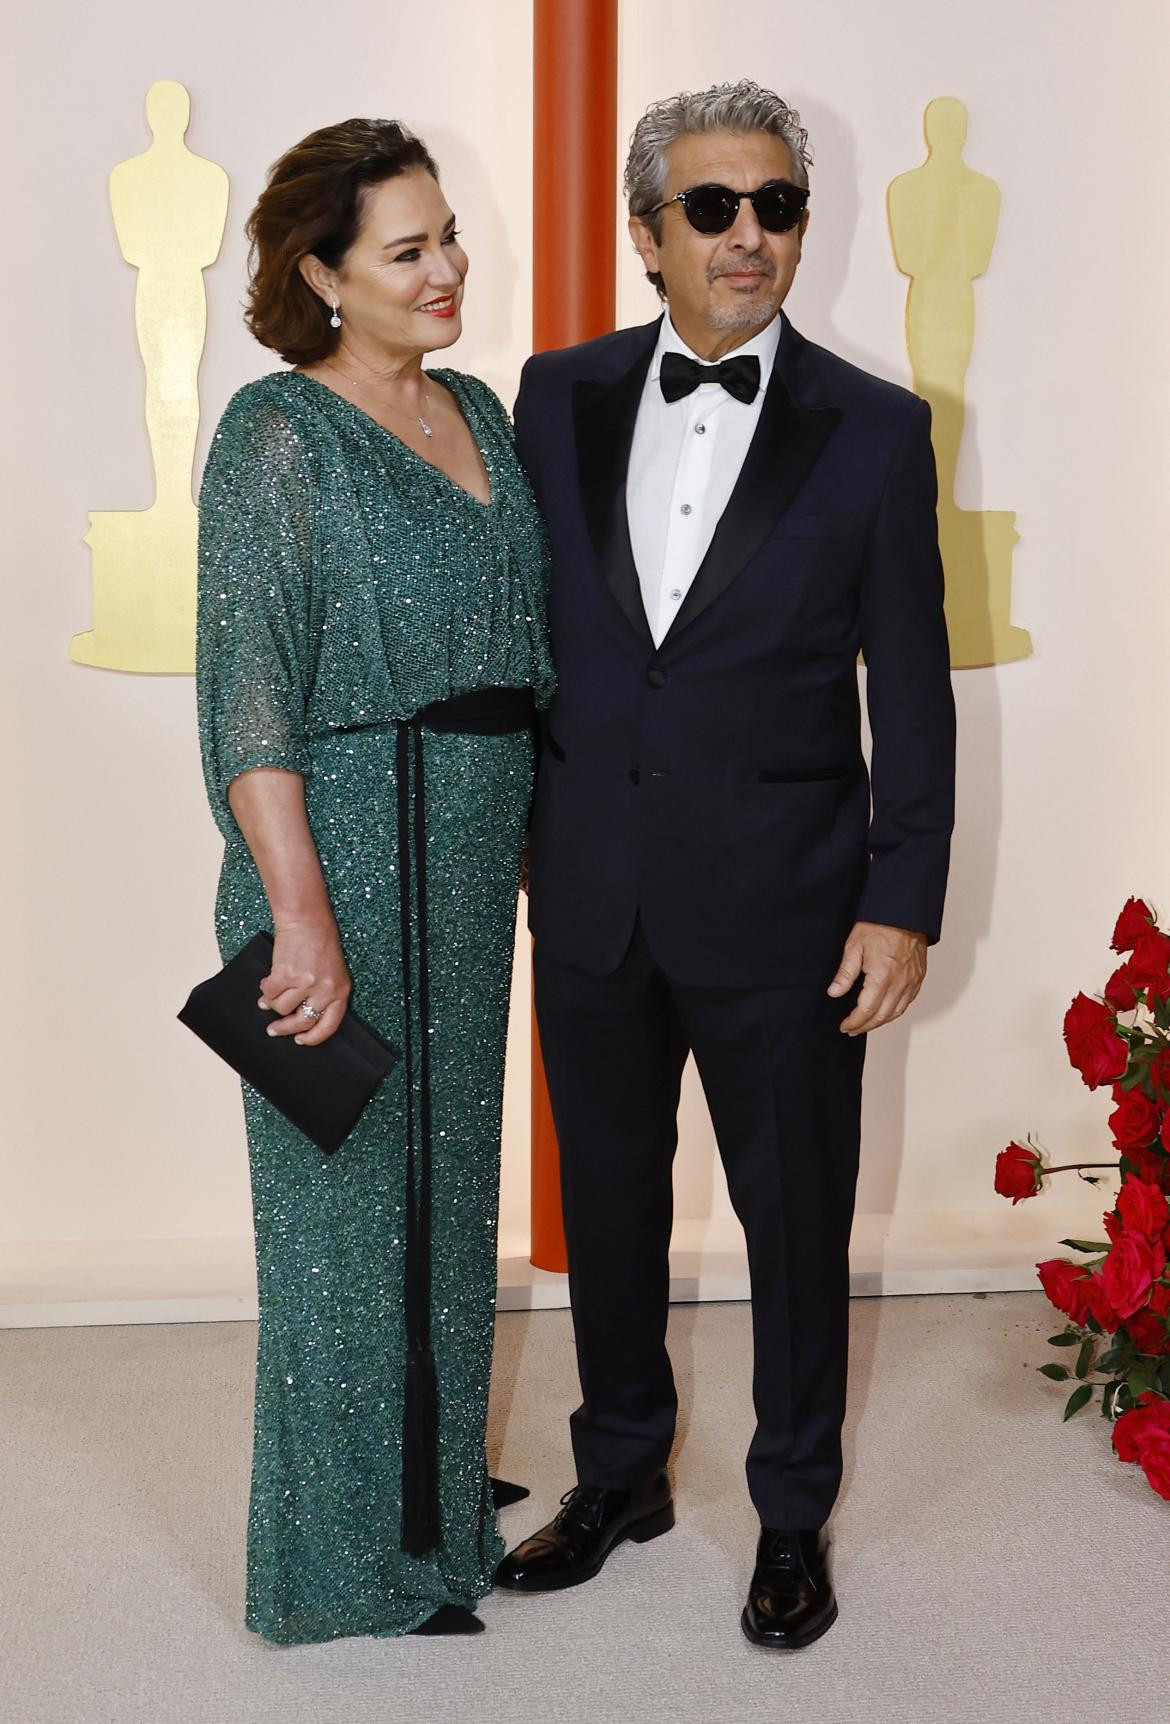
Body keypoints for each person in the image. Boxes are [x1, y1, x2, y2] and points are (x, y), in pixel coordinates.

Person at [496, 81, 955, 1650]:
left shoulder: (877, 431)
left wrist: (902, 894)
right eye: (710, 207)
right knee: (611, 1211)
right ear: (647, 234)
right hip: (595, 892)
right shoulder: (547, 398)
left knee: (793, 1227)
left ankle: (787, 1512)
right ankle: (619, 1472)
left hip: (790, 906)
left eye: (773, 206)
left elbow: (911, 676)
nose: (746, 234)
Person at [196, 117, 554, 1644]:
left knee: (445, 1184)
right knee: (342, 1218)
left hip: (469, 862)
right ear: (322, 276)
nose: (449, 270)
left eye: (448, 236)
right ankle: (351, 1560)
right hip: (332, 856)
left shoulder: (479, 406)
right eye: (406, 251)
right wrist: (298, 911)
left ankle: (429, 1487)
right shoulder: (274, 433)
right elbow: (249, 695)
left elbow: (533, 656)